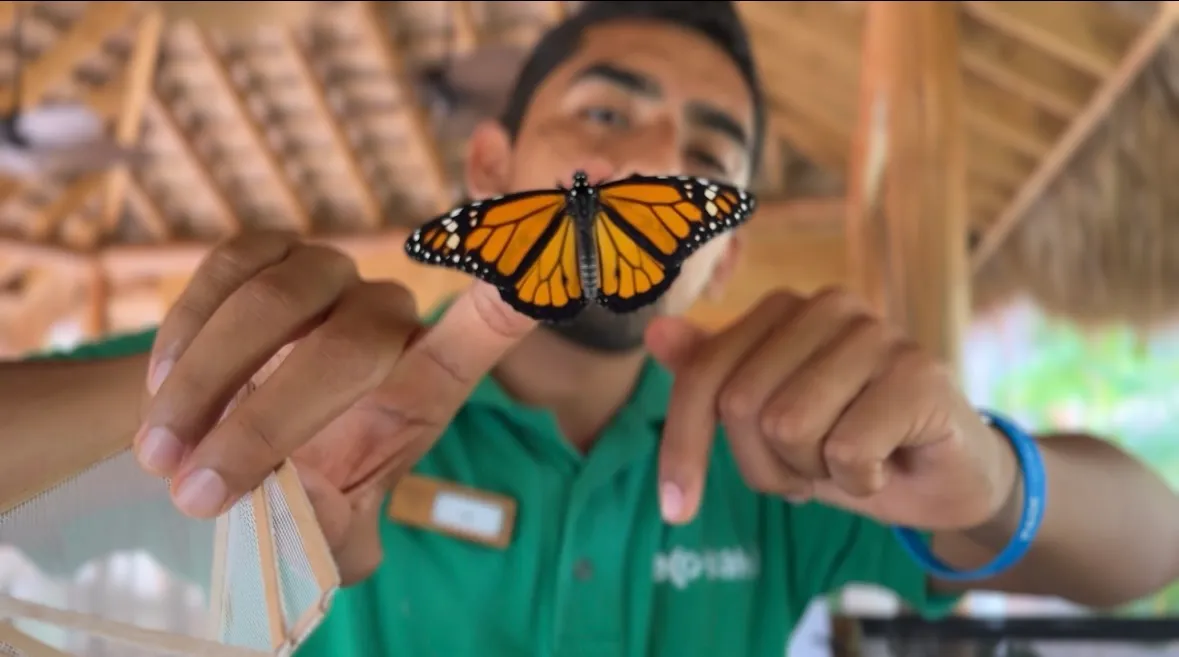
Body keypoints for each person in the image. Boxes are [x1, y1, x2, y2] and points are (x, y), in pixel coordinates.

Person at [5, 2, 1179, 656]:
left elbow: (1152, 547)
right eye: (605, 110)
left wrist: (991, 477)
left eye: (708, 159)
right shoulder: (304, 383)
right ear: (491, 170)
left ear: (724, 245)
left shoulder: (785, 451)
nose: (650, 162)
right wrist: (176, 413)